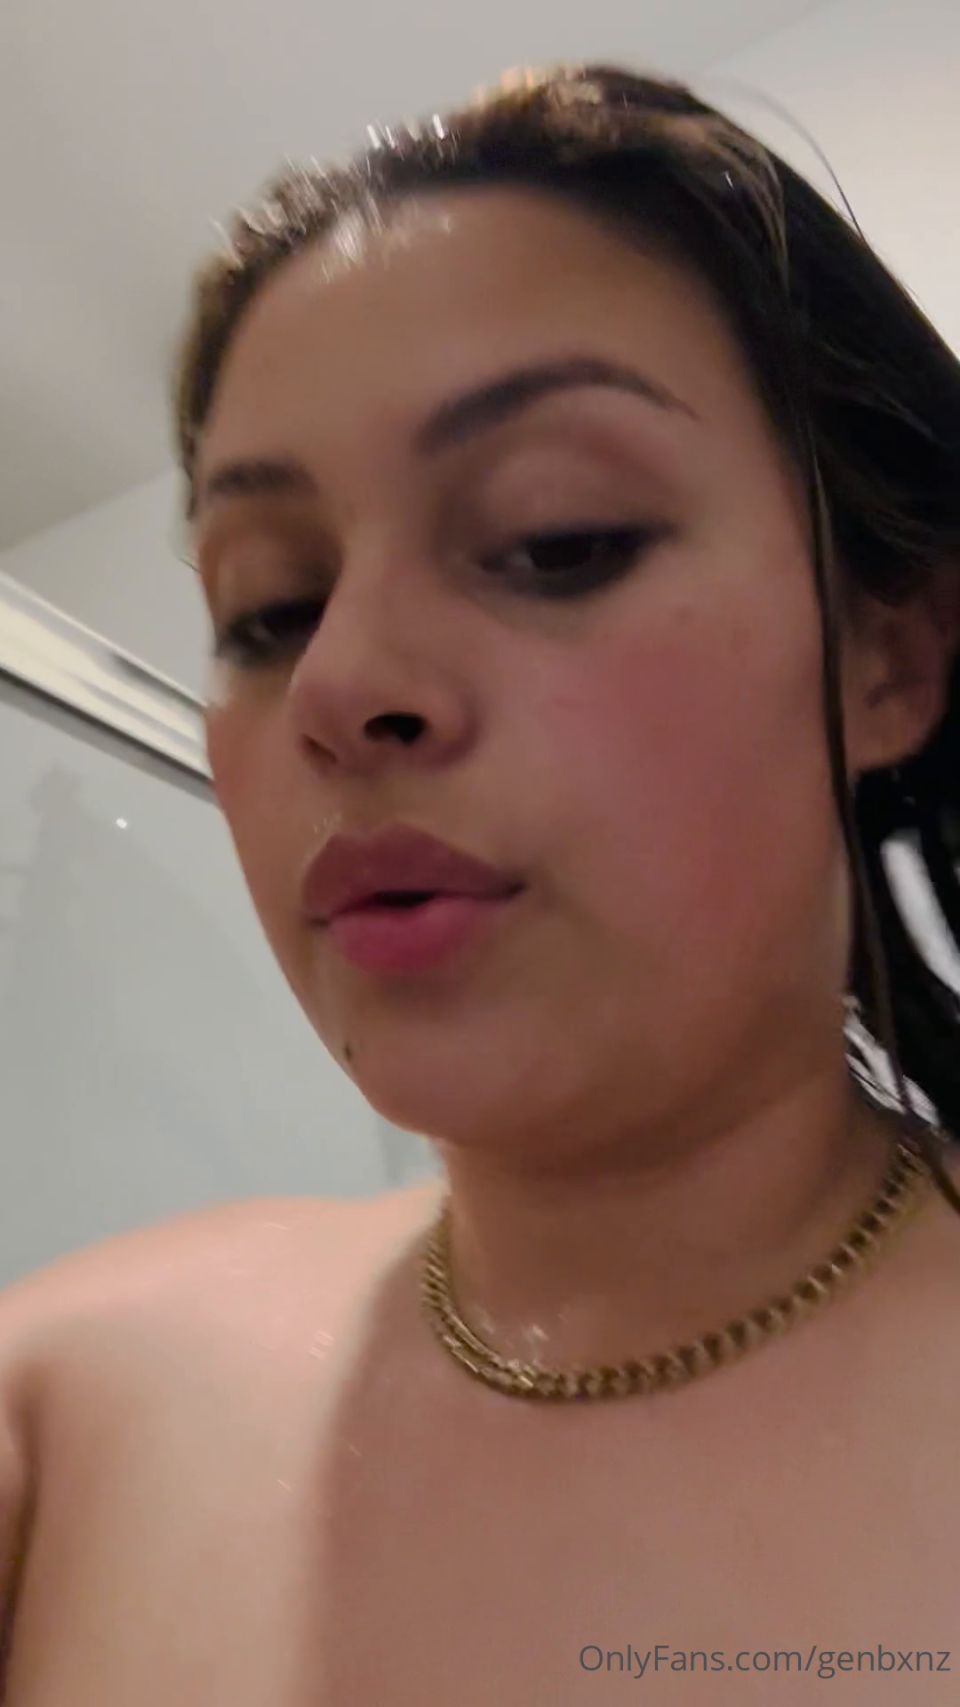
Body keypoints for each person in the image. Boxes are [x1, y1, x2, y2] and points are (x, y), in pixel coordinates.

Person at [2, 60, 960, 1704]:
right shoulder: (65, 1403)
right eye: (269, 608)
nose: (338, 682)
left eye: (558, 540)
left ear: (887, 657)